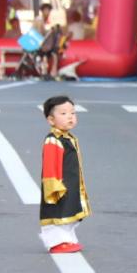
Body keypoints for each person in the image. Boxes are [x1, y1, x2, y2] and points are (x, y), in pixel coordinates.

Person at [39, 96, 90, 254]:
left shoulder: (68, 138)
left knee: (70, 211)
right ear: (51, 120)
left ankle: (67, 239)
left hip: (70, 184)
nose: (70, 116)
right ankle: (57, 242)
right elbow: (50, 166)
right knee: (58, 213)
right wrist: (53, 187)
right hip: (59, 186)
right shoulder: (53, 140)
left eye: (73, 113)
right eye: (63, 113)